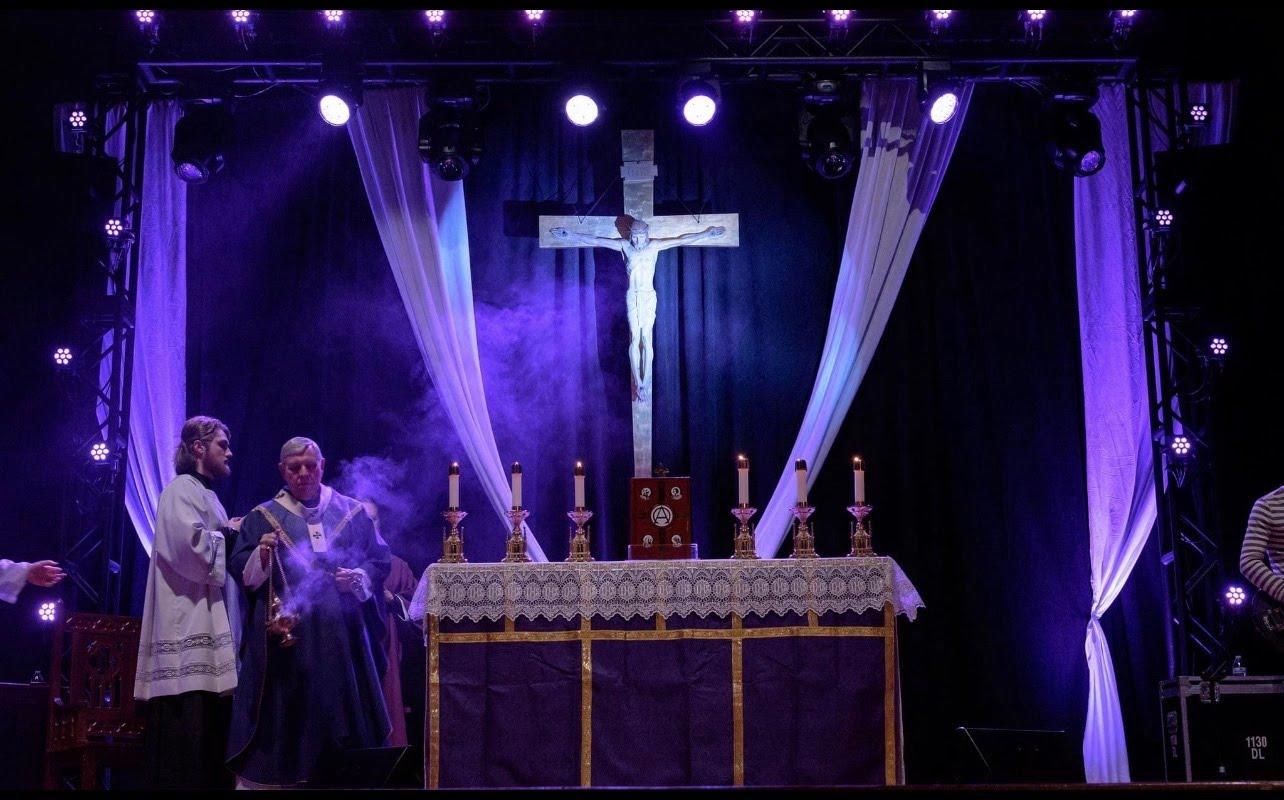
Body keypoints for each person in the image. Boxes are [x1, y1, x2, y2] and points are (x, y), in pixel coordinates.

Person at [227, 437, 391, 789]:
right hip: (290, 644)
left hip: (343, 641)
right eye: (294, 467)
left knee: (343, 720)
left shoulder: (351, 512)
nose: (303, 473)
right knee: (291, 719)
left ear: (322, 465)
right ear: (282, 471)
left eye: (310, 465)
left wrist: (359, 578)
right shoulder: (263, 517)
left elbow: (378, 560)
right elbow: (242, 570)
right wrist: (262, 555)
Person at [134, 415, 241, 789]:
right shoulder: (180, 490)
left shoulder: (206, 494)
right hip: (185, 630)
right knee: (185, 745)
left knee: (209, 743)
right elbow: (190, 550)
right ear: (199, 447)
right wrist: (230, 533)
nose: (229, 453)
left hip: (205, 621)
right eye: (221, 445)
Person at [551, 217, 725, 400]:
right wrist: (570, 234)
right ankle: (638, 381)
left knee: (646, 339)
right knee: (635, 339)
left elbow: (682, 239)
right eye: (634, 237)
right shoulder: (625, 247)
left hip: (648, 296)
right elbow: (595, 240)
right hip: (632, 296)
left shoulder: (654, 246)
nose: (637, 241)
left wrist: (707, 233)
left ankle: (646, 381)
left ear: (647, 235)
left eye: (640, 237)